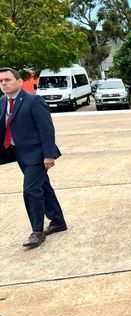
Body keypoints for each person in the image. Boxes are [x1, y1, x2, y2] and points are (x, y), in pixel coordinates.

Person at [0, 67, 66, 247]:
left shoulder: (33, 100)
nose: (4, 83)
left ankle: (37, 231)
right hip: (19, 154)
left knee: (30, 190)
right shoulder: (2, 103)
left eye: (7, 80)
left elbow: (46, 129)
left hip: (37, 155)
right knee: (43, 187)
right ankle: (58, 221)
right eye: (1, 81)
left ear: (19, 82)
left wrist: (48, 155)